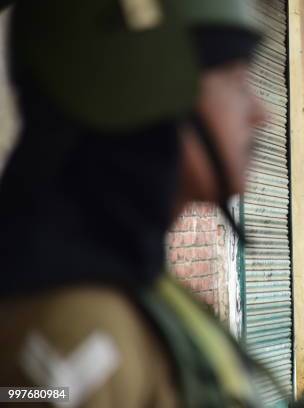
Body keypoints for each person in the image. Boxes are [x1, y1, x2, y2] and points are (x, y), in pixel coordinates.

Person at [0, 0, 267, 406]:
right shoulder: (76, 334)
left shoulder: (137, 287)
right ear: (143, 89)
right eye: (236, 81)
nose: (259, 113)